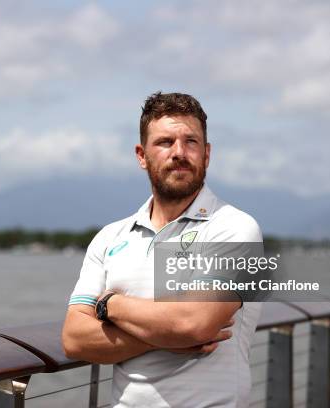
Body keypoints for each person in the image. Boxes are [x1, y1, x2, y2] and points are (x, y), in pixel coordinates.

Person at [61, 92, 262, 408]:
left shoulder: (235, 228)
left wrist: (111, 306)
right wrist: (168, 335)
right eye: (165, 142)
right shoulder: (109, 237)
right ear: (142, 155)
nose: (179, 152)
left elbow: (196, 324)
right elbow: (74, 338)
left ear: (206, 154)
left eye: (191, 142)